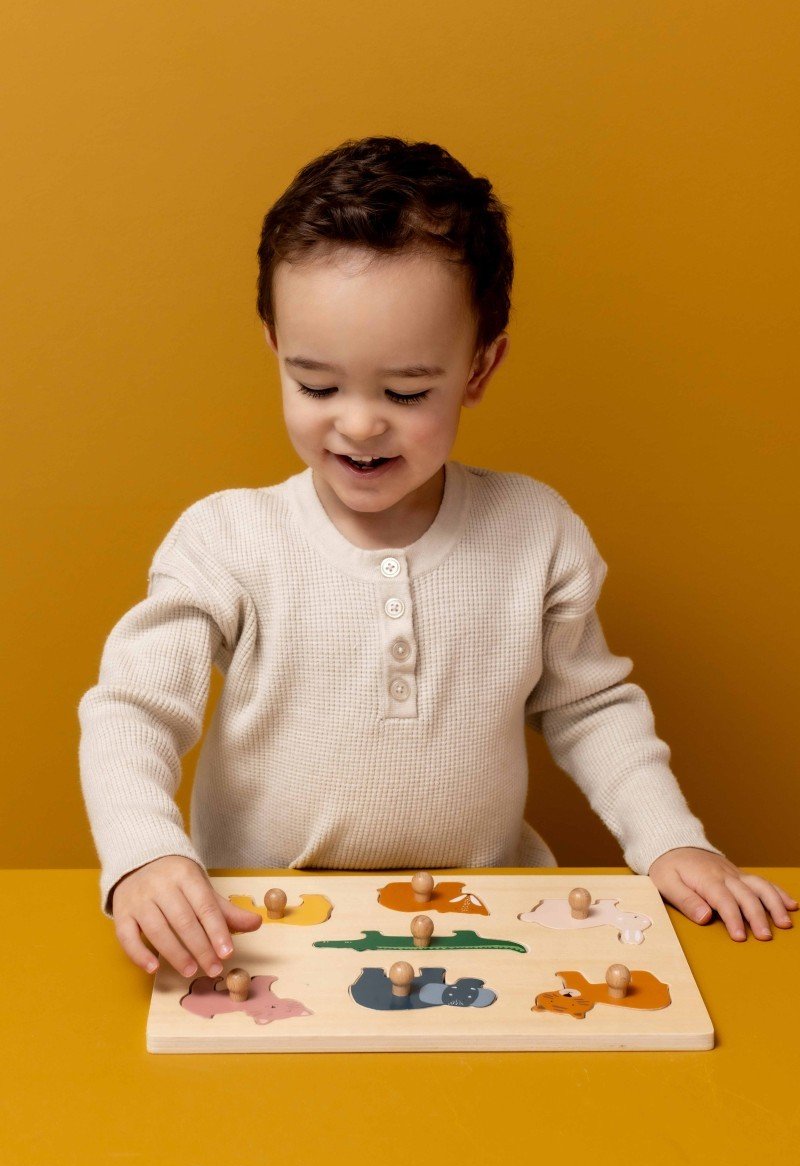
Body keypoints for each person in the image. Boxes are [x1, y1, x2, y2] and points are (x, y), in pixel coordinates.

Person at [78, 135, 796, 982]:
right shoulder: (226, 541)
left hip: (484, 928)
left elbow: (592, 709)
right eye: (316, 385)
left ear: (480, 367)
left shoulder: (536, 531)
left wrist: (672, 839)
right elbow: (131, 711)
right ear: (274, 346)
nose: (358, 424)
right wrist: (144, 857)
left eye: (407, 392)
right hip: (262, 931)